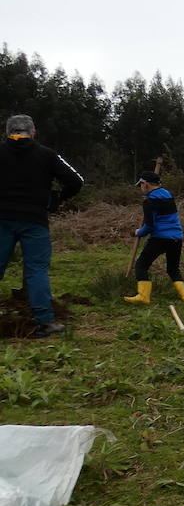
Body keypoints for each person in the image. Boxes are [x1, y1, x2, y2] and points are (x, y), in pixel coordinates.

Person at [0, 114, 84, 338]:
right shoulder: (47, 155)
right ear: (33, 132)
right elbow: (77, 181)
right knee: (36, 270)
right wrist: (56, 199)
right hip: (34, 221)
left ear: (7, 132)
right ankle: (45, 323)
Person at [124, 170, 184, 304]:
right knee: (173, 268)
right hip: (176, 237)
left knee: (141, 265)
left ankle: (143, 296)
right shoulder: (168, 195)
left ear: (145, 184)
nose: (140, 188)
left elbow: (150, 226)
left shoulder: (149, 202)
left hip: (160, 238)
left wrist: (137, 232)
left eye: (140, 185)